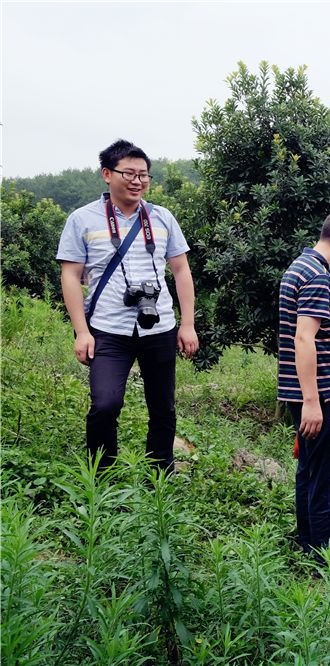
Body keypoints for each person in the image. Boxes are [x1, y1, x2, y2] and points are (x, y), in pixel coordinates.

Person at [57, 139, 199, 472]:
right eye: (129, 173)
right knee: (105, 403)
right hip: (108, 329)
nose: (137, 181)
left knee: (163, 406)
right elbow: (70, 276)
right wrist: (81, 331)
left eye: (144, 175)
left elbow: (181, 270)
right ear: (107, 174)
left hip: (159, 325)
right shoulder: (82, 219)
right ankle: (100, 474)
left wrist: (188, 323)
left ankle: (160, 473)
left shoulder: (162, 218)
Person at [278, 211, 330, 558]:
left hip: (320, 394)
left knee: (311, 470)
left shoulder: (302, 266)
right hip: (323, 397)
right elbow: (303, 338)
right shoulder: (315, 277)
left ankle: (309, 545)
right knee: (326, 475)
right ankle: (327, 557)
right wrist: (312, 401)